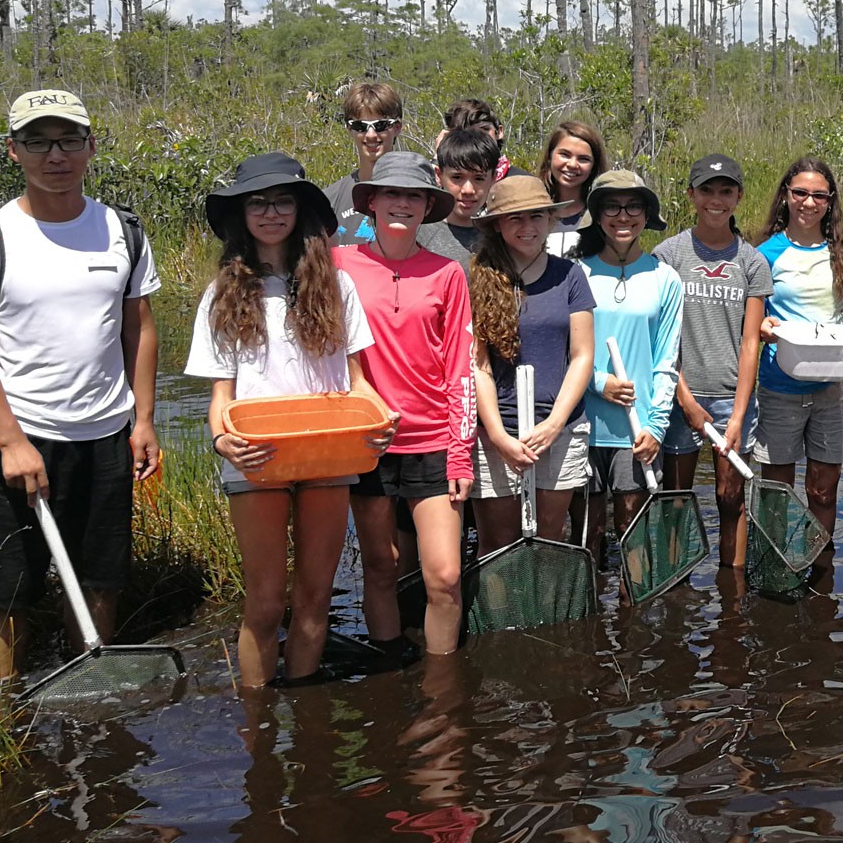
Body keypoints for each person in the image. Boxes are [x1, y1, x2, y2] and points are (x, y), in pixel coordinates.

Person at [0, 89, 162, 681]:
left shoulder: (123, 231)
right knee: (6, 590)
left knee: (101, 578)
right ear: (13, 151)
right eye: (37, 141)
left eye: (68, 140)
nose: (54, 155)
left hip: (106, 436)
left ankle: (91, 691)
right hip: (17, 439)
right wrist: (11, 443)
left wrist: (142, 420)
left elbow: (139, 328)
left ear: (90, 146)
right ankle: (3, 711)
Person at [186, 153, 394, 688]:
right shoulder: (221, 294)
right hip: (256, 454)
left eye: (283, 202)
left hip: (327, 452)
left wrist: (378, 421)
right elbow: (221, 394)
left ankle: (303, 702)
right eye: (258, 203)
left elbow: (357, 381)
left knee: (315, 596)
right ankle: (255, 719)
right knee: (264, 600)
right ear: (241, 214)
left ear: (301, 211)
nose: (271, 213)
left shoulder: (337, 286)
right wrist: (223, 441)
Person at [333, 151, 476, 658]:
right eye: (391, 193)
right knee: (381, 565)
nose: (402, 204)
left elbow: (460, 367)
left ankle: (442, 684)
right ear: (371, 202)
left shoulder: (447, 273)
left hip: (433, 440)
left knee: (445, 576)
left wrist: (461, 453)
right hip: (366, 441)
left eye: (413, 196)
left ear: (427, 206)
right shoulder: (340, 264)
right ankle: (388, 670)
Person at [753, 158, 843, 538]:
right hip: (780, 385)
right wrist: (760, 327)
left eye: (819, 195)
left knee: (823, 490)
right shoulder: (765, 254)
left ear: (830, 201)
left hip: (833, 387)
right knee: (776, 493)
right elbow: (752, 317)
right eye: (800, 193)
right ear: (786, 196)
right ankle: (775, 557)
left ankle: (821, 560)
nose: (809, 202)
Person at [655, 154, 772, 567]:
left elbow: (750, 342)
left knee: (730, 498)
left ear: (739, 197)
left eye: (725, 191)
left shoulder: (752, 262)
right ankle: (675, 580)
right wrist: (684, 399)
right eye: (707, 190)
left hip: (731, 400)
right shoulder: (668, 255)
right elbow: (662, 339)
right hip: (679, 396)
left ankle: (732, 587)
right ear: (691, 195)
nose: (716, 200)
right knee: (675, 500)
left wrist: (738, 416)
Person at [467, 175, 593, 549]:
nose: (528, 227)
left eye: (536, 216)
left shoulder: (570, 275)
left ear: (550, 220)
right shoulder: (477, 278)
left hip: (561, 430)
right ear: (497, 224)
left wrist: (554, 424)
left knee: (550, 538)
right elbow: (478, 365)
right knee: (498, 544)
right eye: (515, 218)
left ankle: (547, 594)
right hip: (497, 432)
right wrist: (498, 436)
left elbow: (582, 355)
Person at [573, 170, 683, 549]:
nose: (623, 216)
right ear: (597, 216)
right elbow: (566, 352)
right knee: (587, 535)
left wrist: (656, 427)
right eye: (612, 207)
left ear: (646, 215)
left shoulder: (665, 279)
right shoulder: (577, 274)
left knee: (633, 538)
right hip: (582, 426)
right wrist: (598, 382)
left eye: (633, 206)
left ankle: (629, 593)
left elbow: (666, 361)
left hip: (637, 432)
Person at [324, 82, 405, 245]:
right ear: (349, 129)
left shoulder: (418, 197)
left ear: (397, 128)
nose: (371, 135)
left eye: (381, 125)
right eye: (360, 126)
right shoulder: (330, 200)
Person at [417, 128, 503, 265]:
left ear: (493, 179)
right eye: (457, 177)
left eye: (479, 178)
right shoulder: (417, 236)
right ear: (439, 176)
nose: (468, 190)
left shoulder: (502, 239)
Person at [542, 121, 608, 258]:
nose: (572, 164)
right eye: (564, 155)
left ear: (593, 167)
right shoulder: (530, 212)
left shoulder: (603, 217)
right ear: (549, 157)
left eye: (583, 159)